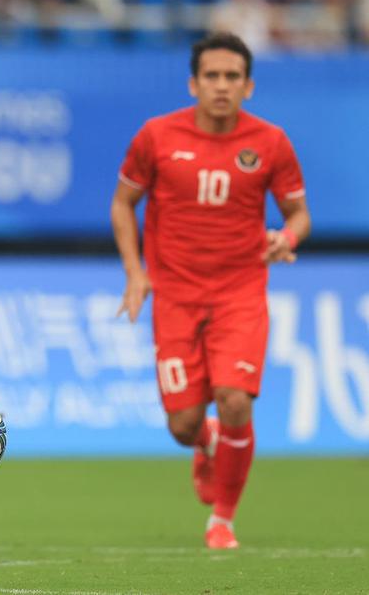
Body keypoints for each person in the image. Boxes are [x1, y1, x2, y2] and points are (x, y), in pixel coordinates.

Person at [111, 32, 310, 550]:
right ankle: (207, 441)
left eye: (232, 77)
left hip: (240, 291)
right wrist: (136, 273)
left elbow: (298, 214)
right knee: (183, 424)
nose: (222, 86)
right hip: (175, 294)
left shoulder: (271, 142)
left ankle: (222, 519)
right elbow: (122, 204)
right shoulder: (157, 136)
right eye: (212, 77)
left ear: (248, 86)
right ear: (194, 83)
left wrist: (286, 237)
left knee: (235, 399)